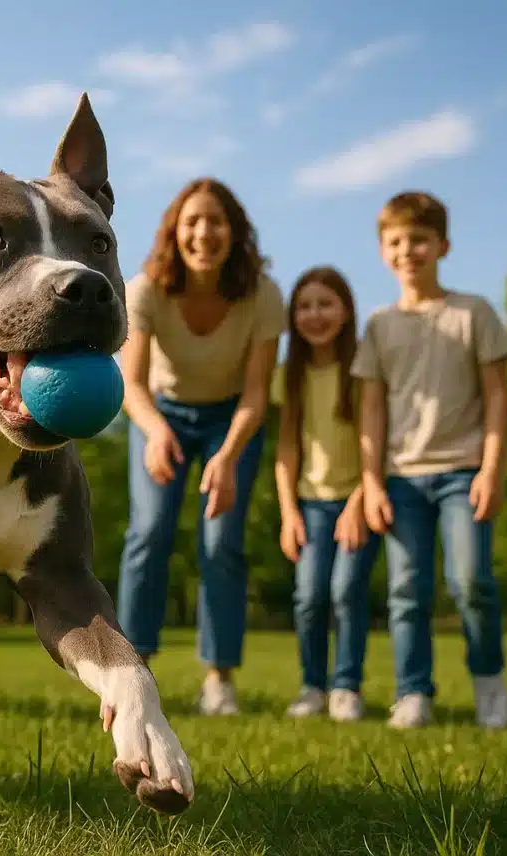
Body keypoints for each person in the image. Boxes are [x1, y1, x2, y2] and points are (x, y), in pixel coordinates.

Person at [116, 177, 287, 716]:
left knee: (221, 544)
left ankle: (219, 679)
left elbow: (259, 394)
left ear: (235, 233)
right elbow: (132, 383)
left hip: (232, 419)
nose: (204, 232)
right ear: (175, 232)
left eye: (216, 222)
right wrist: (156, 431)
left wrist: (229, 455)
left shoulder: (262, 294)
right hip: (161, 412)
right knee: (149, 532)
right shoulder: (145, 289)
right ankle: (132, 672)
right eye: (192, 221)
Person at [351, 190, 507, 730]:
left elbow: (496, 396)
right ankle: (413, 692)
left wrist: (492, 469)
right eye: (396, 241)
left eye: (419, 239)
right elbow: (371, 411)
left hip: (463, 474)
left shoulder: (474, 313)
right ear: (383, 251)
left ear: (442, 245)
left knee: (471, 583)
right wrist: (371, 482)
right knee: (406, 590)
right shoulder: (379, 325)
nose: (408, 250)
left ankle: (489, 683)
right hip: (401, 479)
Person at [271, 265, 381, 722]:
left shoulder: (362, 371)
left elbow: (374, 441)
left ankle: (346, 687)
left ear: (346, 310)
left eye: (325, 304)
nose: (315, 315)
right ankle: (313, 686)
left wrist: (359, 501)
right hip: (310, 504)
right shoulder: (289, 375)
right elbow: (287, 447)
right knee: (310, 595)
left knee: (347, 591)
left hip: (358, 499)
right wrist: (288, 512)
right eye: (305, 306)